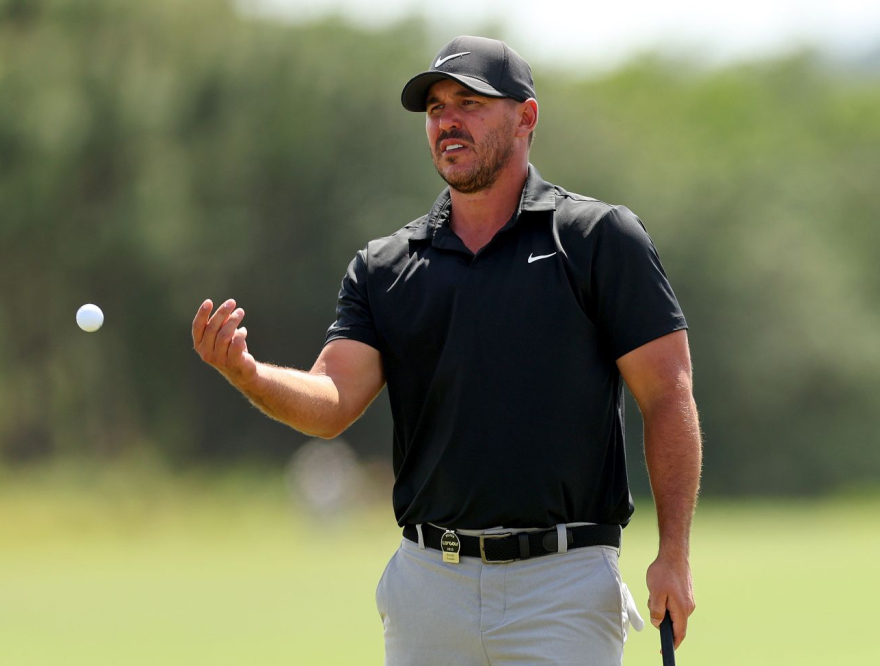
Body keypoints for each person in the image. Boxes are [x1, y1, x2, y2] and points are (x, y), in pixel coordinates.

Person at [192, 35, 701, 666]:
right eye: (435, 108)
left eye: (469, 102)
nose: (447, 121)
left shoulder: (597, 239)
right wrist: (246, 372)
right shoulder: (386, 266)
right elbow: (331, 402)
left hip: (563, 587)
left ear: (526, 117)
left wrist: (673, 554)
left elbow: (667, 393)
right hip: (429, 585)